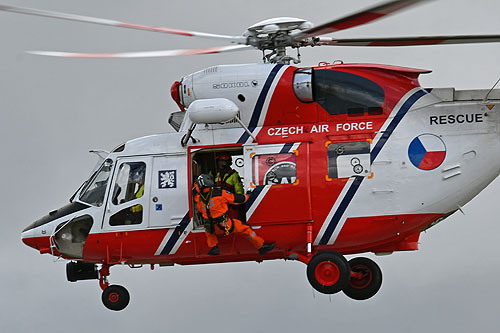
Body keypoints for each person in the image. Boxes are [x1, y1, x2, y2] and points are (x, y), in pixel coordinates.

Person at [193, 174, 275, 256]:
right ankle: (261, 247)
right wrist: (248, 195)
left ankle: (214, 247)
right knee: (246, 228)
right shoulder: (220, 193)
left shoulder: (199, 198)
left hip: (210, 227)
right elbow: (238, 199)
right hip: (224, 225)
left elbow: (200, 209)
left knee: (209, 231)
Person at [212, 152, 244, 219]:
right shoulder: (213, 173)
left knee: (233, 223)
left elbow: (239, 191)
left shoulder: (233, 175)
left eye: (224, 161)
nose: (222, 163)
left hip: (230, 205)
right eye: (220, 161)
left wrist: (237, 202)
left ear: (228, 162)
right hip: (216, 205)